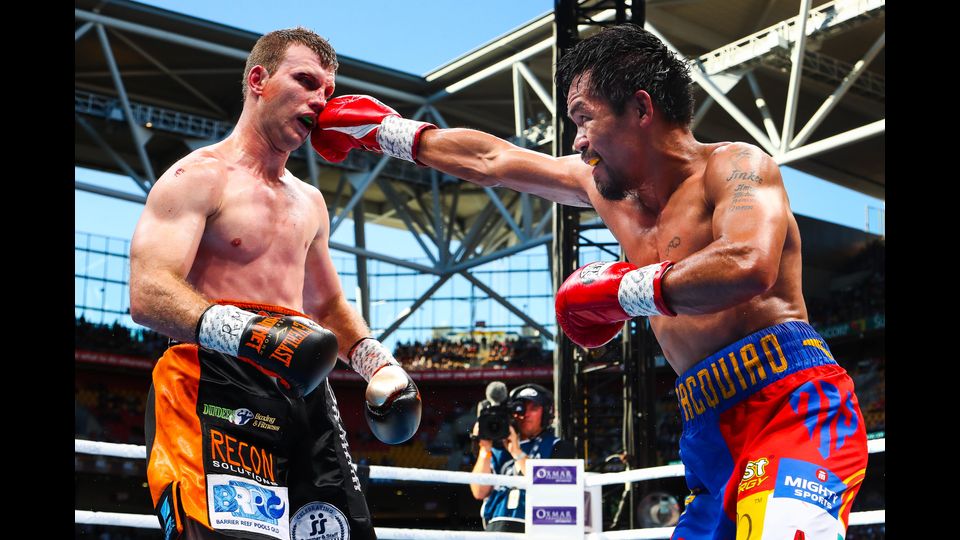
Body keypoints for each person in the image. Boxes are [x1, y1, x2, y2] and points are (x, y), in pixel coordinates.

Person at [310, 23, 868, 540]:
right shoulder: (605, 188)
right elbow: (492, 159)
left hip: (789, 406)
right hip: (707, 428)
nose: (576, 140)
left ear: (640, 108)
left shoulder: (736, 167)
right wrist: (385, 131)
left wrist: (622, 289)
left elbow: (748, 264)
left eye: (583, 117)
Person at [129, 27, 422, 540]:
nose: (320, 102)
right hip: (214, 383)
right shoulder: (197, 177)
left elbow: (327, 303)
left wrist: (381, 364)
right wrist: (250, 333)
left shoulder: (309, 201)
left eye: (328, 92)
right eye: (306, 81)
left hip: (303, 387)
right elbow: (148, 290)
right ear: (258, 80)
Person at [469, 384, 575, 533]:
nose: (525, 414)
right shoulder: (497, 448)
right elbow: (479, 492)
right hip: (496, 527)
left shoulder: (559, 447)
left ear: (546, 413)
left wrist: (517, 453)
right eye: (520, 408)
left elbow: (552, 489)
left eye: (533, 408)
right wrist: (485, 449)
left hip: (537, 527)